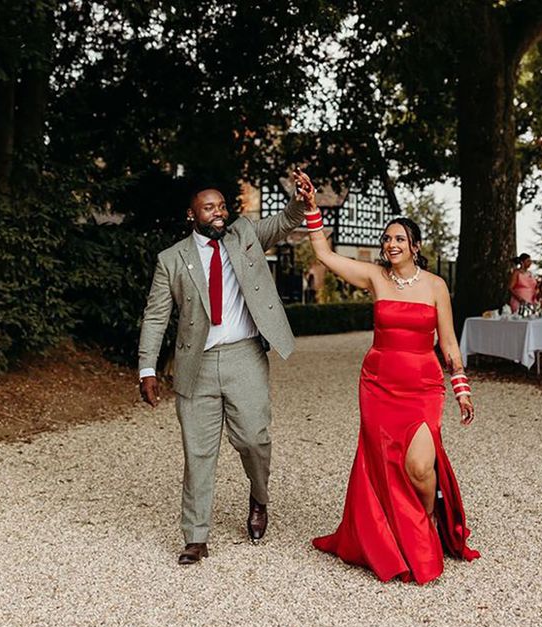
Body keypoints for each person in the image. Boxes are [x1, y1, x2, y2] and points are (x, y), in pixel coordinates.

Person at [297, 172, 479, 584]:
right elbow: (325, 255)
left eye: (399, 239)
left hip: (423, 386)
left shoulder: (436, 286)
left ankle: (427, 520)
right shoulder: (375, 277)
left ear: (415, 246)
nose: (391, 244)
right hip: (378, 384)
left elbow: (448, 343)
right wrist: (311, 209)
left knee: (418, 464)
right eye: (387, 239)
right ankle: (392, 538)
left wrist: (462, 390)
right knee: (383, 464)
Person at [138, 172, 309, 565]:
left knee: (253, 439)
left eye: (221, 206)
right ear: (191, 214)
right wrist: (147, 368)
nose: (219, 213)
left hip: (244, 356)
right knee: (198, 452)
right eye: (209, 207)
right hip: (195, 363)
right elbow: (155, 317)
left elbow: (284, 222)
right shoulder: (171, 260)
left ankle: (259, 497)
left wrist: (300, 200)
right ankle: (196, 537)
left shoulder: (245, 234)